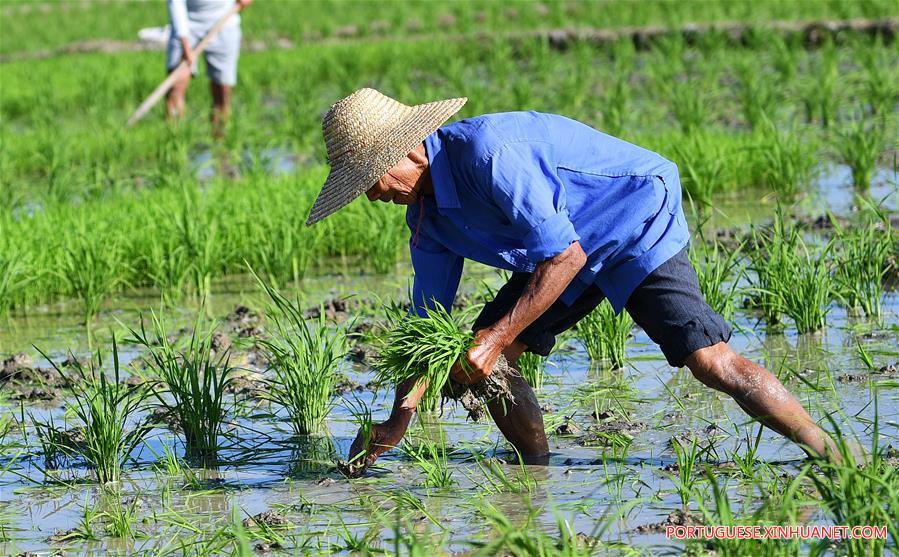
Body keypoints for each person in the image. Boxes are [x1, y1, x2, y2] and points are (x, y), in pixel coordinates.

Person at [305, 88, 839, 474]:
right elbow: (429, 324)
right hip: (562, 247)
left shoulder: (490, 153)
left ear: (409, 151)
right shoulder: (427, 219)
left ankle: (834, 457)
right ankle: (536, 478)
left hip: (632, 216)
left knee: (708, 360)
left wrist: (491, 338)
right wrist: (399, 419)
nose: (372, 196)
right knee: (489, 365)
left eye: (370, 180)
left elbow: (564, 255)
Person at [165, 0, 252, 135]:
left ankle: (220, 144)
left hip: (224, 20)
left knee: (223, 91)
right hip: (187, 24)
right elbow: (176, 3)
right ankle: (174, 142)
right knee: (176, 87)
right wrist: (185, 44)